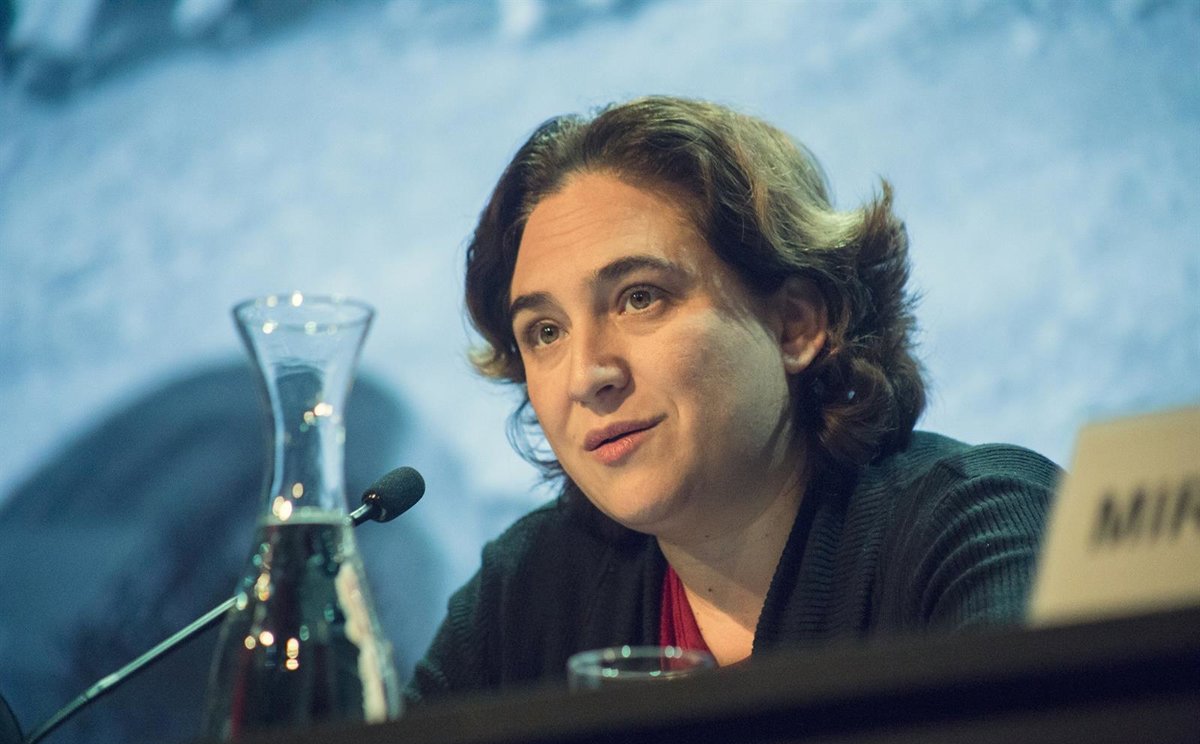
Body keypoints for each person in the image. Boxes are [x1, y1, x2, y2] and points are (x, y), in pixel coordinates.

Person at [405, 96, 1060, 700]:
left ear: (796, 325)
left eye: (640, 297)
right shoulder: (529, 593)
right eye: (545, 332)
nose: (587, 375)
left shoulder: (979, 525)